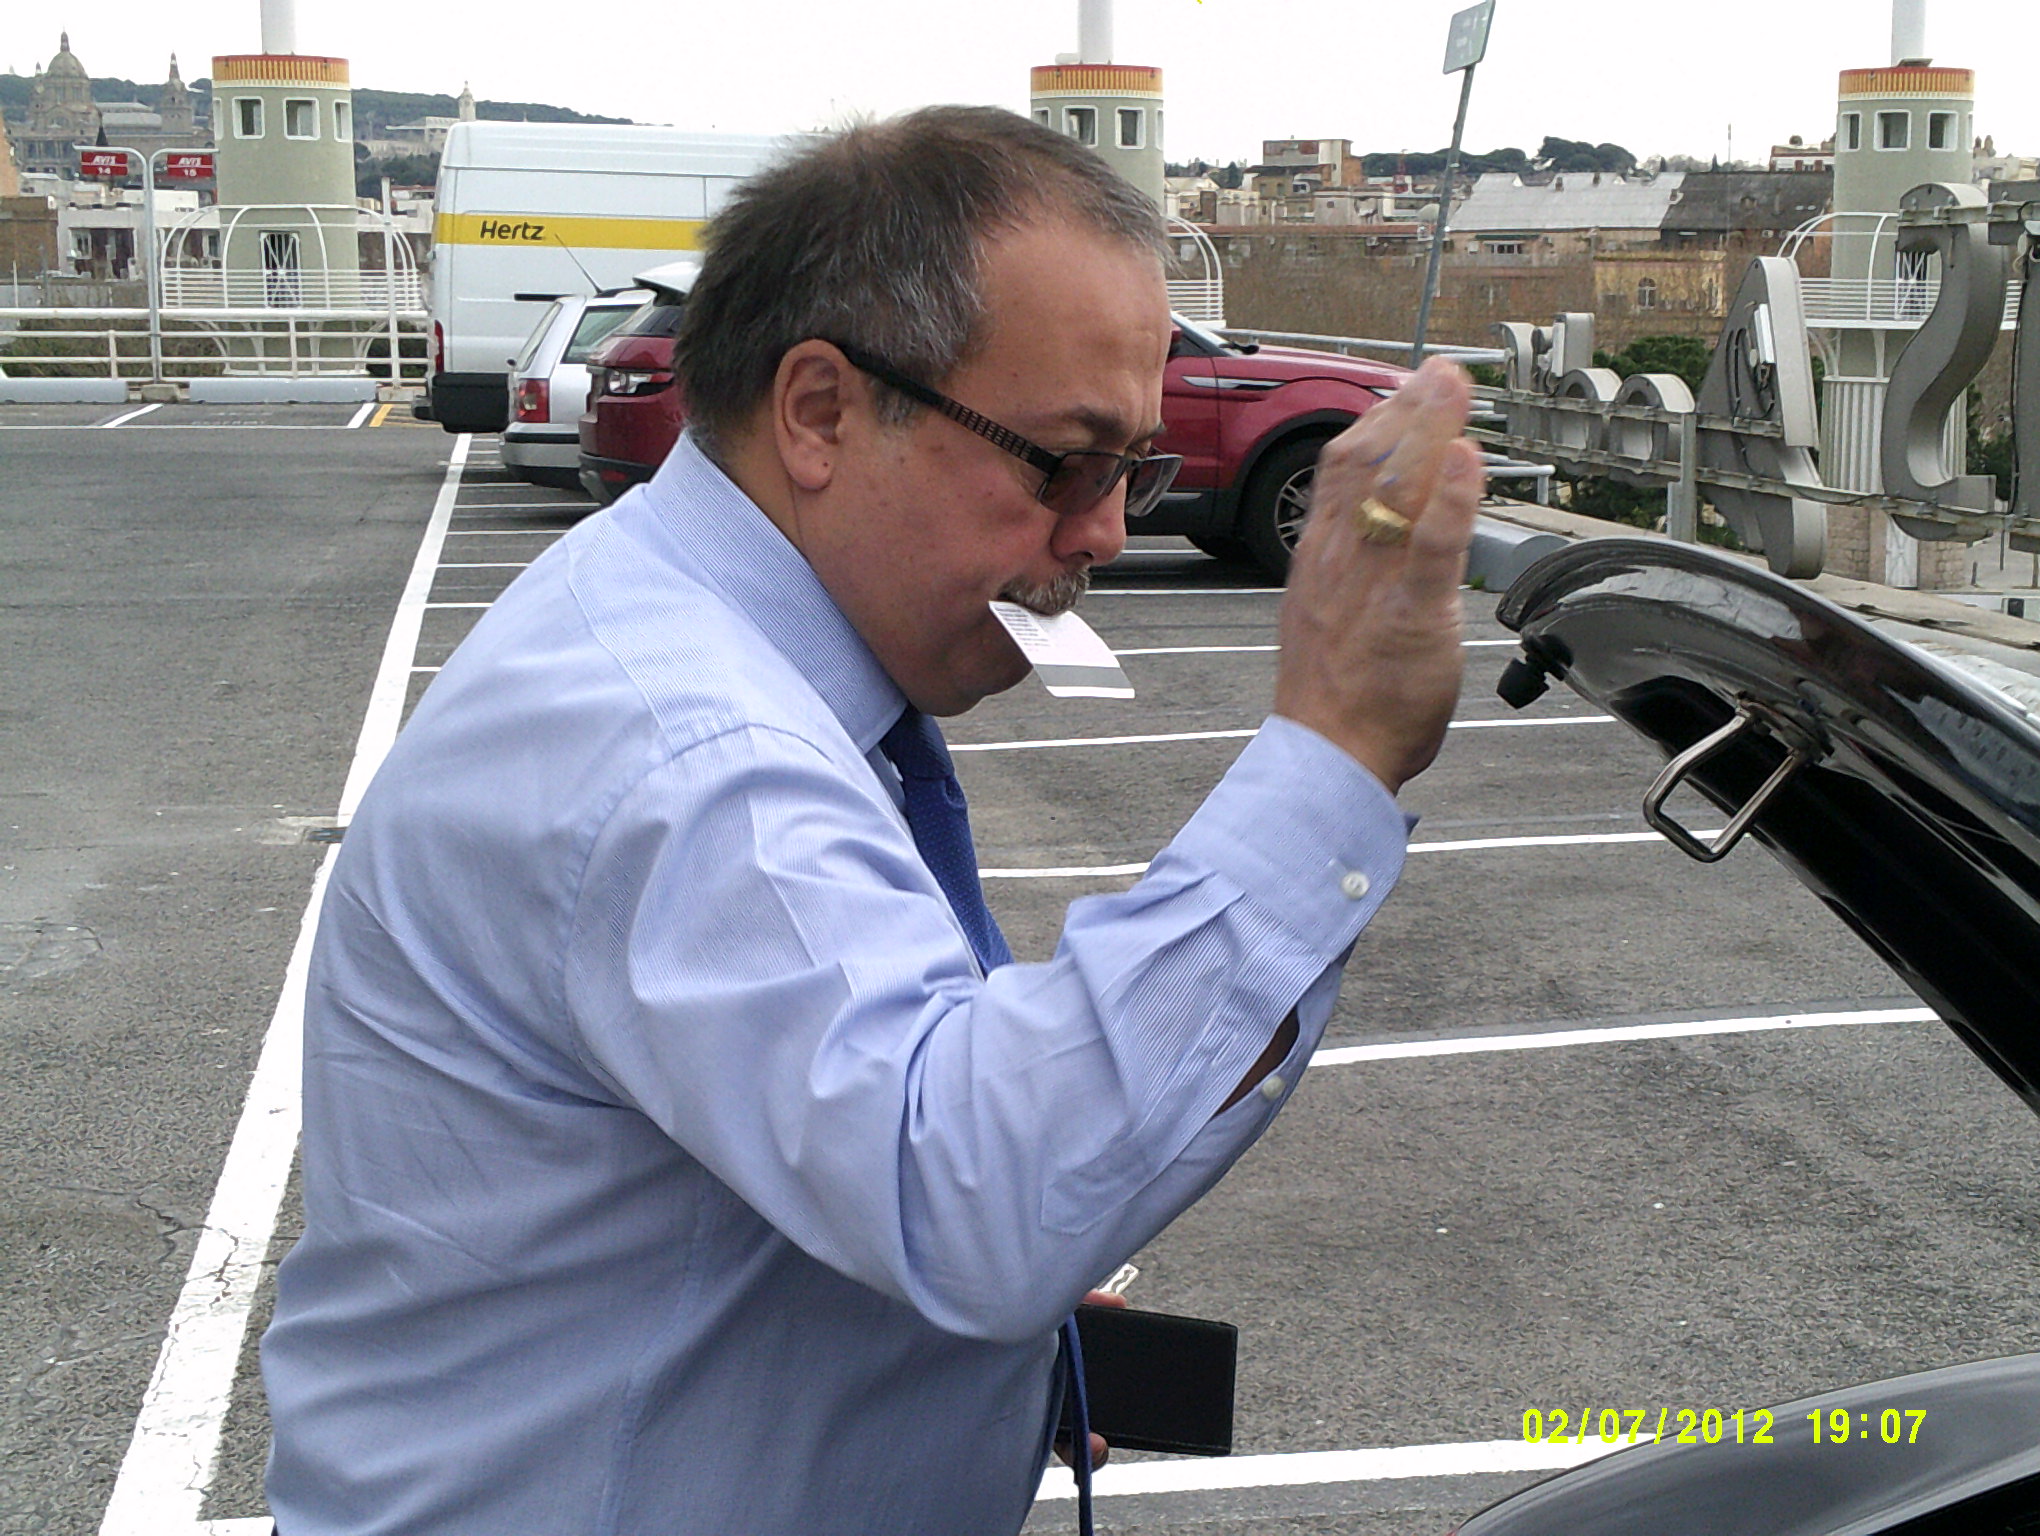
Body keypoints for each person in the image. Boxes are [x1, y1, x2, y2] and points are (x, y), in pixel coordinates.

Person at [260, 105, 1480, 1535]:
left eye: (1131, 469)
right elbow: (968, 1189)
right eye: (1065, 462)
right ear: (821, 413)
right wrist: (1335, 745)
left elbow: (802, 1135)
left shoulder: (681, 628)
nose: (1102, 532)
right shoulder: (690, 752)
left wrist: (938, 1362)